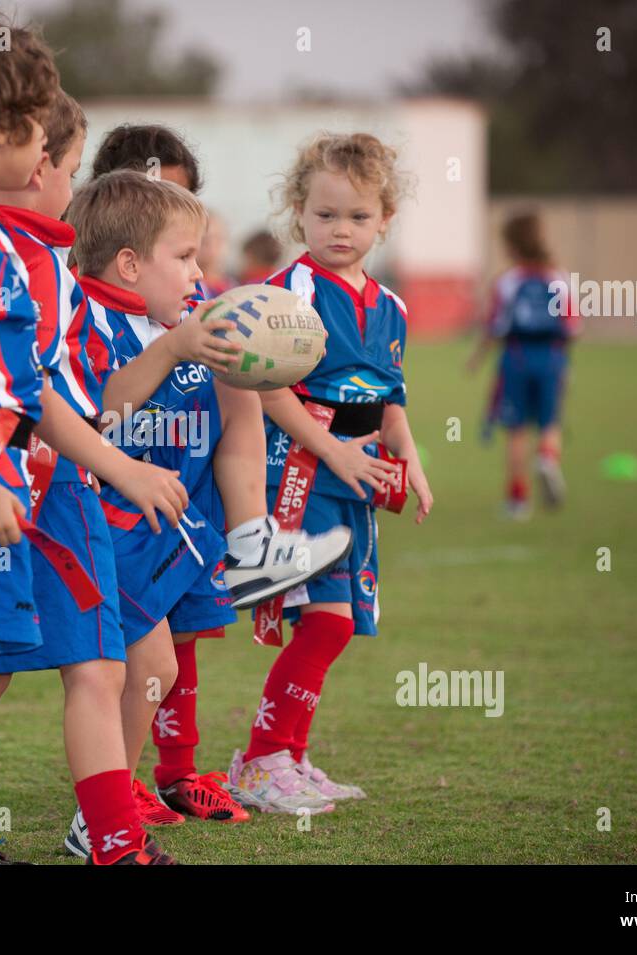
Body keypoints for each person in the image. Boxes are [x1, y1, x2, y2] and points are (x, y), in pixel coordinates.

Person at [0, 3, 191, 866]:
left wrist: (111, 466)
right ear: (5, 129)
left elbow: (32, 388)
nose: (50, 153)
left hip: (0, 467)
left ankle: (41, 841)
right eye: (38, 127)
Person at [60, 169, 353, 853]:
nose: (201, 271)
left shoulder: (181, 321)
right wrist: (171, 348)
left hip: (170, 529)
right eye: (186, 257)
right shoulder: (91, 317)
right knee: (129, 670)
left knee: (154, 671)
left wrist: (262, 353)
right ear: (130, 264)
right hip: (106, 528)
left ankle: (102, 810)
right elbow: (97, 412)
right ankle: (99, 815)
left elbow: (233, 399)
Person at [229, 132, 434, 813]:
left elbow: (391, 398)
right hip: (300, 470)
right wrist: (333, 448)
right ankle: (262, 760)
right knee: (326, 620)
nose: (340, 229)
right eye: (324, 215)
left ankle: (291, 753)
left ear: (385, 220)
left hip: (359, 475)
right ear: (298, 213)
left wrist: (411, 461)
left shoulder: (393, 307)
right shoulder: (288, 291)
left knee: (338, 621)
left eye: (357, 217)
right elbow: (265, 385)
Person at [467, 210, 577, 518]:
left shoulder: (508, 282)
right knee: (549, 422)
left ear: (511, 245)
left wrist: (477, 359)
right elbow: (572, 327)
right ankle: (547, 457)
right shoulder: (559, 279)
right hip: (552, 358)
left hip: (516, 357)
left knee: (516, 430)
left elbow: (494, 326)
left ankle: (518, 500)